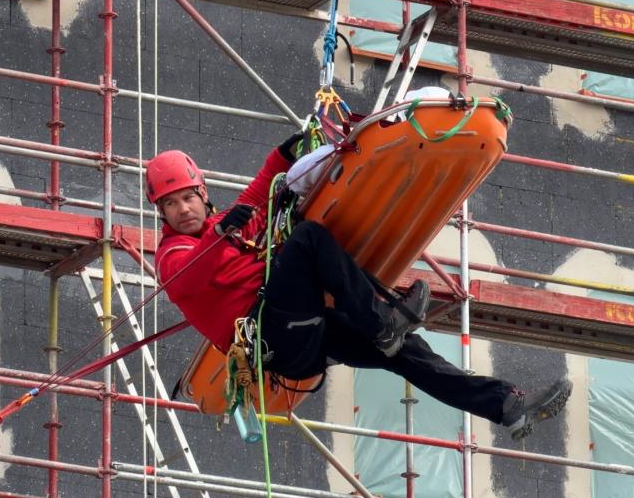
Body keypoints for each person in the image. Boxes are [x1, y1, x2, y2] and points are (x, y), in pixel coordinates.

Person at [149, 137, 571, 440]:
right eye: (171, 204)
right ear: (161, 213)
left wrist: (282, 154)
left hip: (301, 336)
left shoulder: (231, 225)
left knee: (408, 355)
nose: (183, 209)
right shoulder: (175, 253)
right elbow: (188, 275)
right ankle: (381, 320)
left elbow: (264, 192)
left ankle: (505, 406)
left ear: (203, 195)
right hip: (273, 338)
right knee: (307, 240)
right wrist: (221, 231)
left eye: (188, 197)